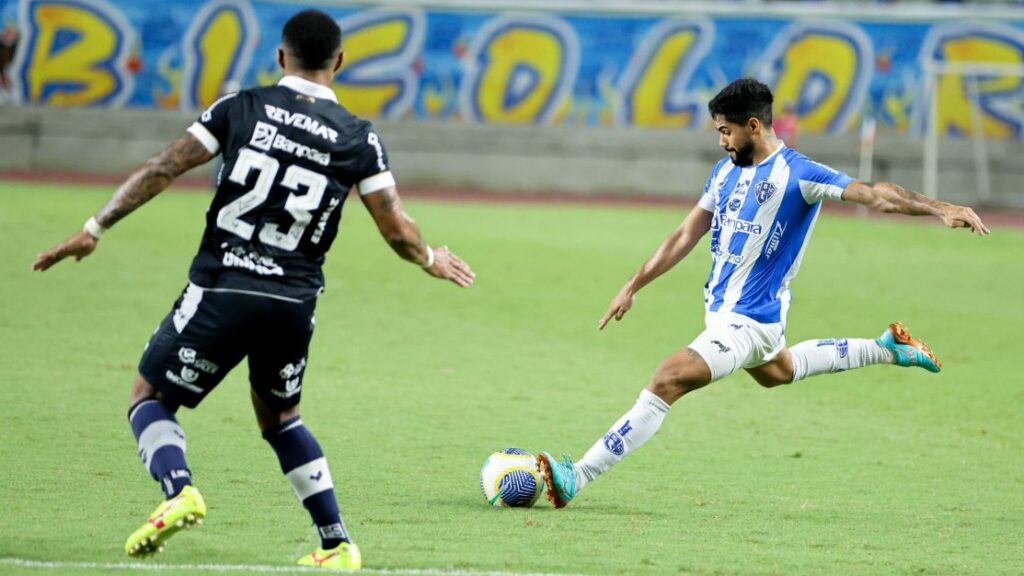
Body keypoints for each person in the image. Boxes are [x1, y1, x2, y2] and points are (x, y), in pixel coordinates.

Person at [31, 9, 475, 570]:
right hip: (294, 303)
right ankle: (337, 544)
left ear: (281, 57)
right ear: (339, 62)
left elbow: (163, 167)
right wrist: (431, 258)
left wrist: (94, 229)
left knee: (149, 397)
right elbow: (396, 228)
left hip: (222, 287)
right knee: (281, 418)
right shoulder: (360, 137)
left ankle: (179, 491)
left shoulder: (242, 107)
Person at [536, 78, 988, 509]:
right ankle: (886, 348)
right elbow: (684, 235)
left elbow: (876, 195)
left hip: (748, 322)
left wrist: (940, 208)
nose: (721, 141)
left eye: (725, 131)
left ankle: (579, 474)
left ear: (754, 125)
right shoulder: (723, 173)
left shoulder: (799, 173)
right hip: (730, 316)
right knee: (778, 371)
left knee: (667, 379)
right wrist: (634, 284)